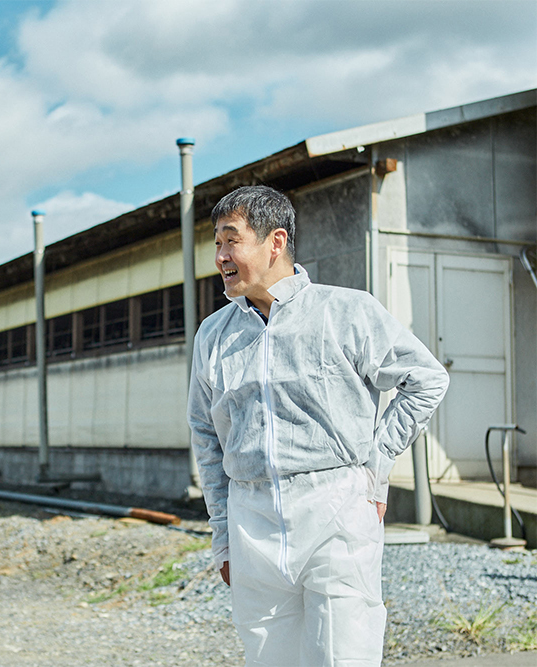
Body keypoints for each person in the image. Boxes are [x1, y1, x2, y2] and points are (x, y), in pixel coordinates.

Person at [187, 186, 448, 666]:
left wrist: (376, 465)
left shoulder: (345, 312)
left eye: (231, 241)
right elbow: (206, 435)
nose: (220, 256)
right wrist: (223, 534)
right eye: (217, 244)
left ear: (276, 241)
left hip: (335, 510)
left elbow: (426, 379)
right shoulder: (214, 334)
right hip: (251, 522)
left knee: (343, 655)